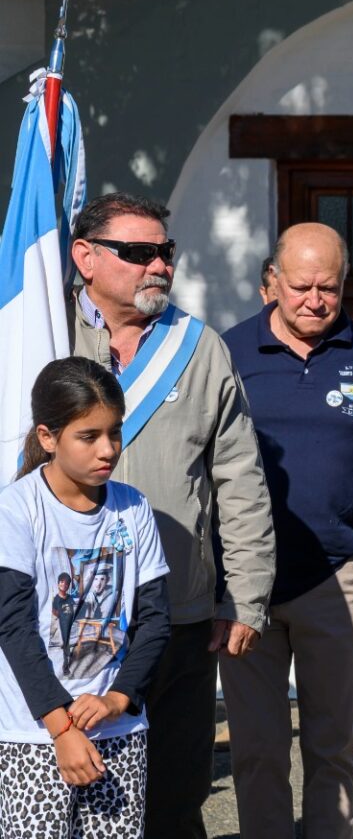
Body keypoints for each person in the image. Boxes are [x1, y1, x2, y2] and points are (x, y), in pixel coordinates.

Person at [69, 193, 274, 837]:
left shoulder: (199, 347)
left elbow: (239, 478)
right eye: (138, 252)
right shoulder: (39, 333)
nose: (158, 265)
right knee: (75, 802)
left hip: (177, 617)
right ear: (86, 258)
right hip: (66, 620)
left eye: (165, 252)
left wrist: (245, 595)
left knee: (175, 800)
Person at [221, 222, 353, 839]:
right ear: (272, 282)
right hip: (244, 584)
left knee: (334, 742)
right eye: (301, 286)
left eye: (328, 288)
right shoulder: (227, 354)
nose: (314, 300)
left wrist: (352, 522)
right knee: (257, 746)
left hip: (336, 579)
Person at [0, 357, 170, 836]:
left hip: (119, 732)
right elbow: (13, 628)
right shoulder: (16, 509)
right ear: (48, 437)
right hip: (34, 735)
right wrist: (61, 727)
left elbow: (155, 620)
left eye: (114, 432)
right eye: (89, 436)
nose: (108, 449)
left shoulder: (133, 508)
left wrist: (118, 698)